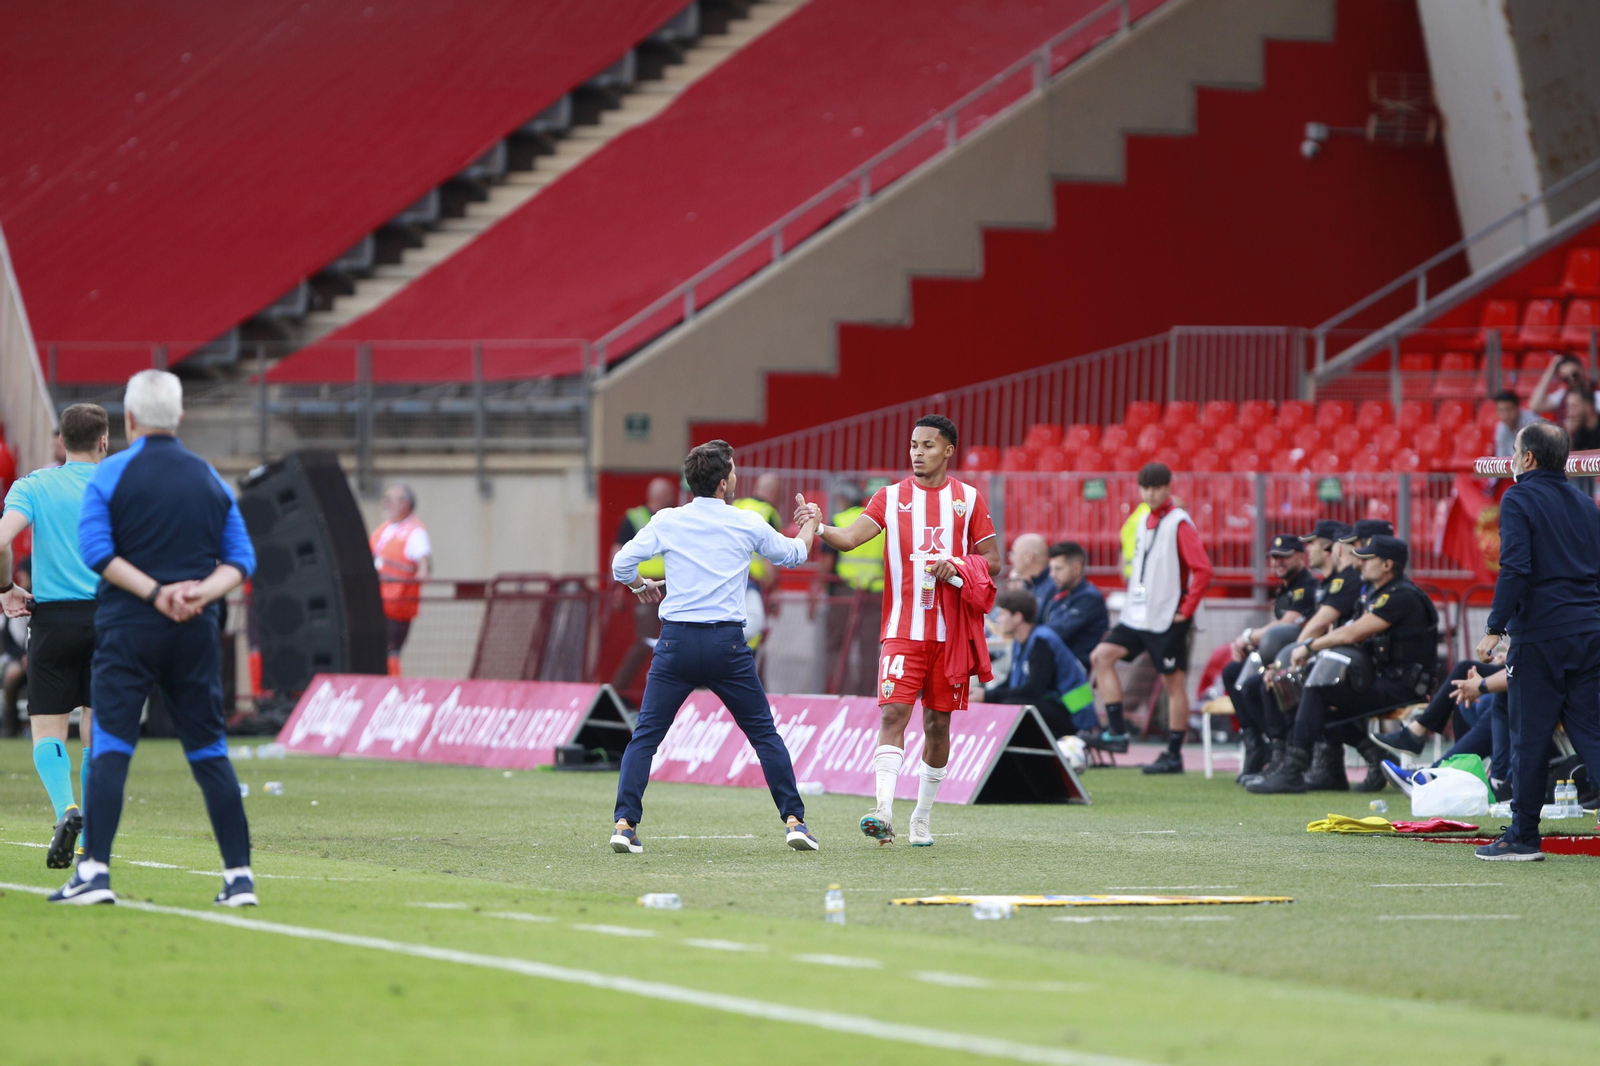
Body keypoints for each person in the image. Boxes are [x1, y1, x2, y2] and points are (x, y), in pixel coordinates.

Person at [51, 370, 257, 906]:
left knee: (112, 746)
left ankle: (94, 872)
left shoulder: (111, 473)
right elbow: (241, 560)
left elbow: (97, 552)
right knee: (210, 749)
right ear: (180, 416)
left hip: (128, 627)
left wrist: (155, 593)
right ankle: (239, 878)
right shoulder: (209, 477)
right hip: (195, 631)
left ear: (130, 419)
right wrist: (197, 594)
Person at [797, 415, 1002, 848]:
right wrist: (818, 526)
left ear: (948, 451)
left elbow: (994, 561)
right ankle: (883, 811)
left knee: (938, 725)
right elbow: (850, 538)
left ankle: (922, 818)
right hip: (902, 630)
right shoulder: (889, 498)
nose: (917, 451)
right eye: (913, 444)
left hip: (950, 636)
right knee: (893, 714)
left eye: (928, 445)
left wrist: (961, 565)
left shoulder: (968, 499)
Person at [609, 440, 821, 855]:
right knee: (764, 735)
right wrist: (810, 521)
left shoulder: (667, 520)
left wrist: (639, 586)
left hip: (676, 643)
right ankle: (794, 821)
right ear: (724, 483)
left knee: (646, 738)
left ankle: (624, 824)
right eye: (735, 472)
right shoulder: (745, 522)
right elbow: (795, 554)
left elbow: (621, 565)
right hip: (726, 645)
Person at [1474, 420, 1600, 860]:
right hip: (1589, 629)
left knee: (1529, 736)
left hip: (1542, 635)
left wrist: (1494, 628)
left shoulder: (1519, 498)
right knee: (1591, 733)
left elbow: (1516, 569)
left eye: (1513, 450)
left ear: (1527, 458)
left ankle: (1523, 836)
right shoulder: (1587, 505)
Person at [0, 403, 110, 868]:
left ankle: (67, 810)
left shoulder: (35, 486)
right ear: (104, 441)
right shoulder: (118, 486)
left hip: (53, 620)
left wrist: (5, 588)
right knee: (96, 730)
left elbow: (2, 540)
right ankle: (90, 840)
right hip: (109, 618)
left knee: (47, 728)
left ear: (60, 442)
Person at [1248, 536, 1438, 795]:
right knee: (1310, 697)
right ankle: (1378, 760)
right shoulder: (1376, 593)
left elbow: (1352, 634)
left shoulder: (1401, 596)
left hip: (1403, 687)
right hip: (1383, 680)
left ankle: (1292, 770)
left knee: (1317, 691)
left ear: (1387, 565)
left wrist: (1309, 646)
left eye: (1368, 559)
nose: (1361, 564)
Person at [1088, 462, 1213, 773]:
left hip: (1166, 617)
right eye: (1145, 487)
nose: (1151, 492)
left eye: (1156, 486)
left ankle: (1173, 754)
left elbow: (1203, 569)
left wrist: (1186, 609)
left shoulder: (1179, 522)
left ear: (1169, 487)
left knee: (1174, 684)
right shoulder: (1143, 519)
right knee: (1102, 656)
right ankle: (1116, 732)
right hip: (1137, 614)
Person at [1221, 534, 1318, 779]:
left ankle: (1283, 749)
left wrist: (1249, 636)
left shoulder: (1306, 587)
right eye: (1274, 557)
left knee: (1256, 686)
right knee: (1232, 673)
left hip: (1300, 661)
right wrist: (1255, 645)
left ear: (1300, 556)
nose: (1277, 562)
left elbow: (1285, 626)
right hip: (1282, 658)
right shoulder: (1286, 587)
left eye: (1283, 556)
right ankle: (1256, 744)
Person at [980, 589, 1094, 739]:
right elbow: (1010, 683)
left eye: (1001, 614)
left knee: (1012, 704)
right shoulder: (1019, 641)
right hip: (1053, 705)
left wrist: (987, 696)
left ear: (1017, 617)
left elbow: (1033, 690)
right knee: (1002, 701)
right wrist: (982, 694)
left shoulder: (1042, 642)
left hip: (1072, 714)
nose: (998, 620)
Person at [611, 477, 676, 694]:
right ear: (659, 495)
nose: (673, 498)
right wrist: (620, 589)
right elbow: (617, 555)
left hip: (670, 586)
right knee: (646, 641)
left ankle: (669, 690)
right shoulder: (634, 518)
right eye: (669, 493)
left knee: (674, 641)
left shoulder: (671, 518)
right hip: (643, 588)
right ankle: (616, 692)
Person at [823, 482, 884, 696]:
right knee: (870, 650)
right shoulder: (878, 524)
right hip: (876, 594)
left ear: (843, 499)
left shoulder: (839, 520)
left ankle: (842, 694)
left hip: (845, 592)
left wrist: (819, 590)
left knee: (837, 646)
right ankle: (868, 697)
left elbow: (827, 563)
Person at [369, 483, 431, 675]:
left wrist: (424, 570)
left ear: (405, 504)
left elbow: (423, 559)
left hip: (396, 605)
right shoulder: (383, 530)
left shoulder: (414, 532)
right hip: (376, 602)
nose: (386, 503)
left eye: (391, 499)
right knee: (373, 650)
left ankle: (390, 688)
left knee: (390, 651)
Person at [732, 471, 784, 648]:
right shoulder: (768, 513)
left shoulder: (736, 506)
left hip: (728, 579)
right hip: (753, 584)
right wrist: (774, 589)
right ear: (774, 493)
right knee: (752, 631)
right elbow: (771, 556)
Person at [1040, 540, 1107, 672]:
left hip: (1074, 665)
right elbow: (1036, 620)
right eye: (1051, 569)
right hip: (1052, 659)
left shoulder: (1090, 598)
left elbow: (1059, 631)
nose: (1052, 575)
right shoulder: (1056, 591)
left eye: (1058, 569)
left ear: (1076, 568)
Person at [0, 560, 30, 737]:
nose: (20, 577)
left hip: (41, 655)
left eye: (24, 574)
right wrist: (22, 656)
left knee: (39, 673)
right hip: (20, 657)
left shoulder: (43, 600)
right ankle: (11, 724)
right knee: (11, 675)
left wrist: (32, 655)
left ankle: (37, 725)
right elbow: (9, 641)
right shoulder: (14, 598)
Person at [1563, 385, 1600, 496]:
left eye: (1573, 407)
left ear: (1588, 407)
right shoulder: (1579, 432)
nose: (1570, 413)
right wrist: (1569, 435)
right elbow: (1568, 468)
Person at [1006, 532, 1053, 616]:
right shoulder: (1028, 584)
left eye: (1013, 553)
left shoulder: (1054, 587)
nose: (1010, 559)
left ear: (1028, 557)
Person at [1493, 389, 1539, 458]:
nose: (1505, 415)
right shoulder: (1501, 427)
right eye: (1501, 410)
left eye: (1509, 409)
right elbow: (1500, 457)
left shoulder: (1533, 424)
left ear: (1517, 407)